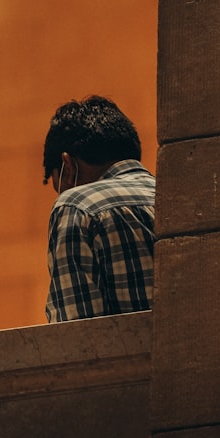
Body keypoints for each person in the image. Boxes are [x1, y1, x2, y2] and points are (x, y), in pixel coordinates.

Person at [41, 96, 156, 322]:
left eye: (59, 184)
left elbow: (78, 336)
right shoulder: (181, 196)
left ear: (68, 165)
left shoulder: (76, 205)